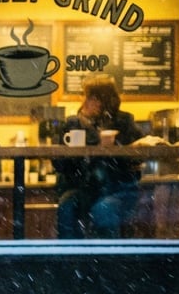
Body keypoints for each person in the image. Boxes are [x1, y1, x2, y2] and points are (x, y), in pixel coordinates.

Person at [53, 76, 144, 239]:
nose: (87, 101)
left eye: (94, 98)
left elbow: (136, 155)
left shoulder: (123, 121)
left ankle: (105, 261)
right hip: (82, 189)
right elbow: (60, 164)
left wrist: (115, 144)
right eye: (86, 96)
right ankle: (70, 260)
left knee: (103, 209)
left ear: (107, 101)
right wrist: (95, 141)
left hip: (118, 189)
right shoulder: (73, 124)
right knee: (67, 207)